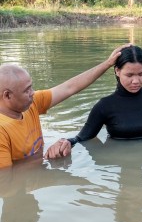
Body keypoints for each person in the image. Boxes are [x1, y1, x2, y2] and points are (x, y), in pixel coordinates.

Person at [44, 46, 142, 159]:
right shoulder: (104, 106)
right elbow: (82, 138)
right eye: (129, 75)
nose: (136, 81)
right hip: (117, 159)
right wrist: (65, 142)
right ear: (117, 71)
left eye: (141, 74)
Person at [0, 44, 128, 168]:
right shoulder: (2, 130)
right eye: (26, 90)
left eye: (31, 87)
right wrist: (47, 156)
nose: (33, 92)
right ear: (7, 95)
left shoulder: (31, 103)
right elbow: (8, 179)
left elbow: (69, 87)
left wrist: (108, 63)